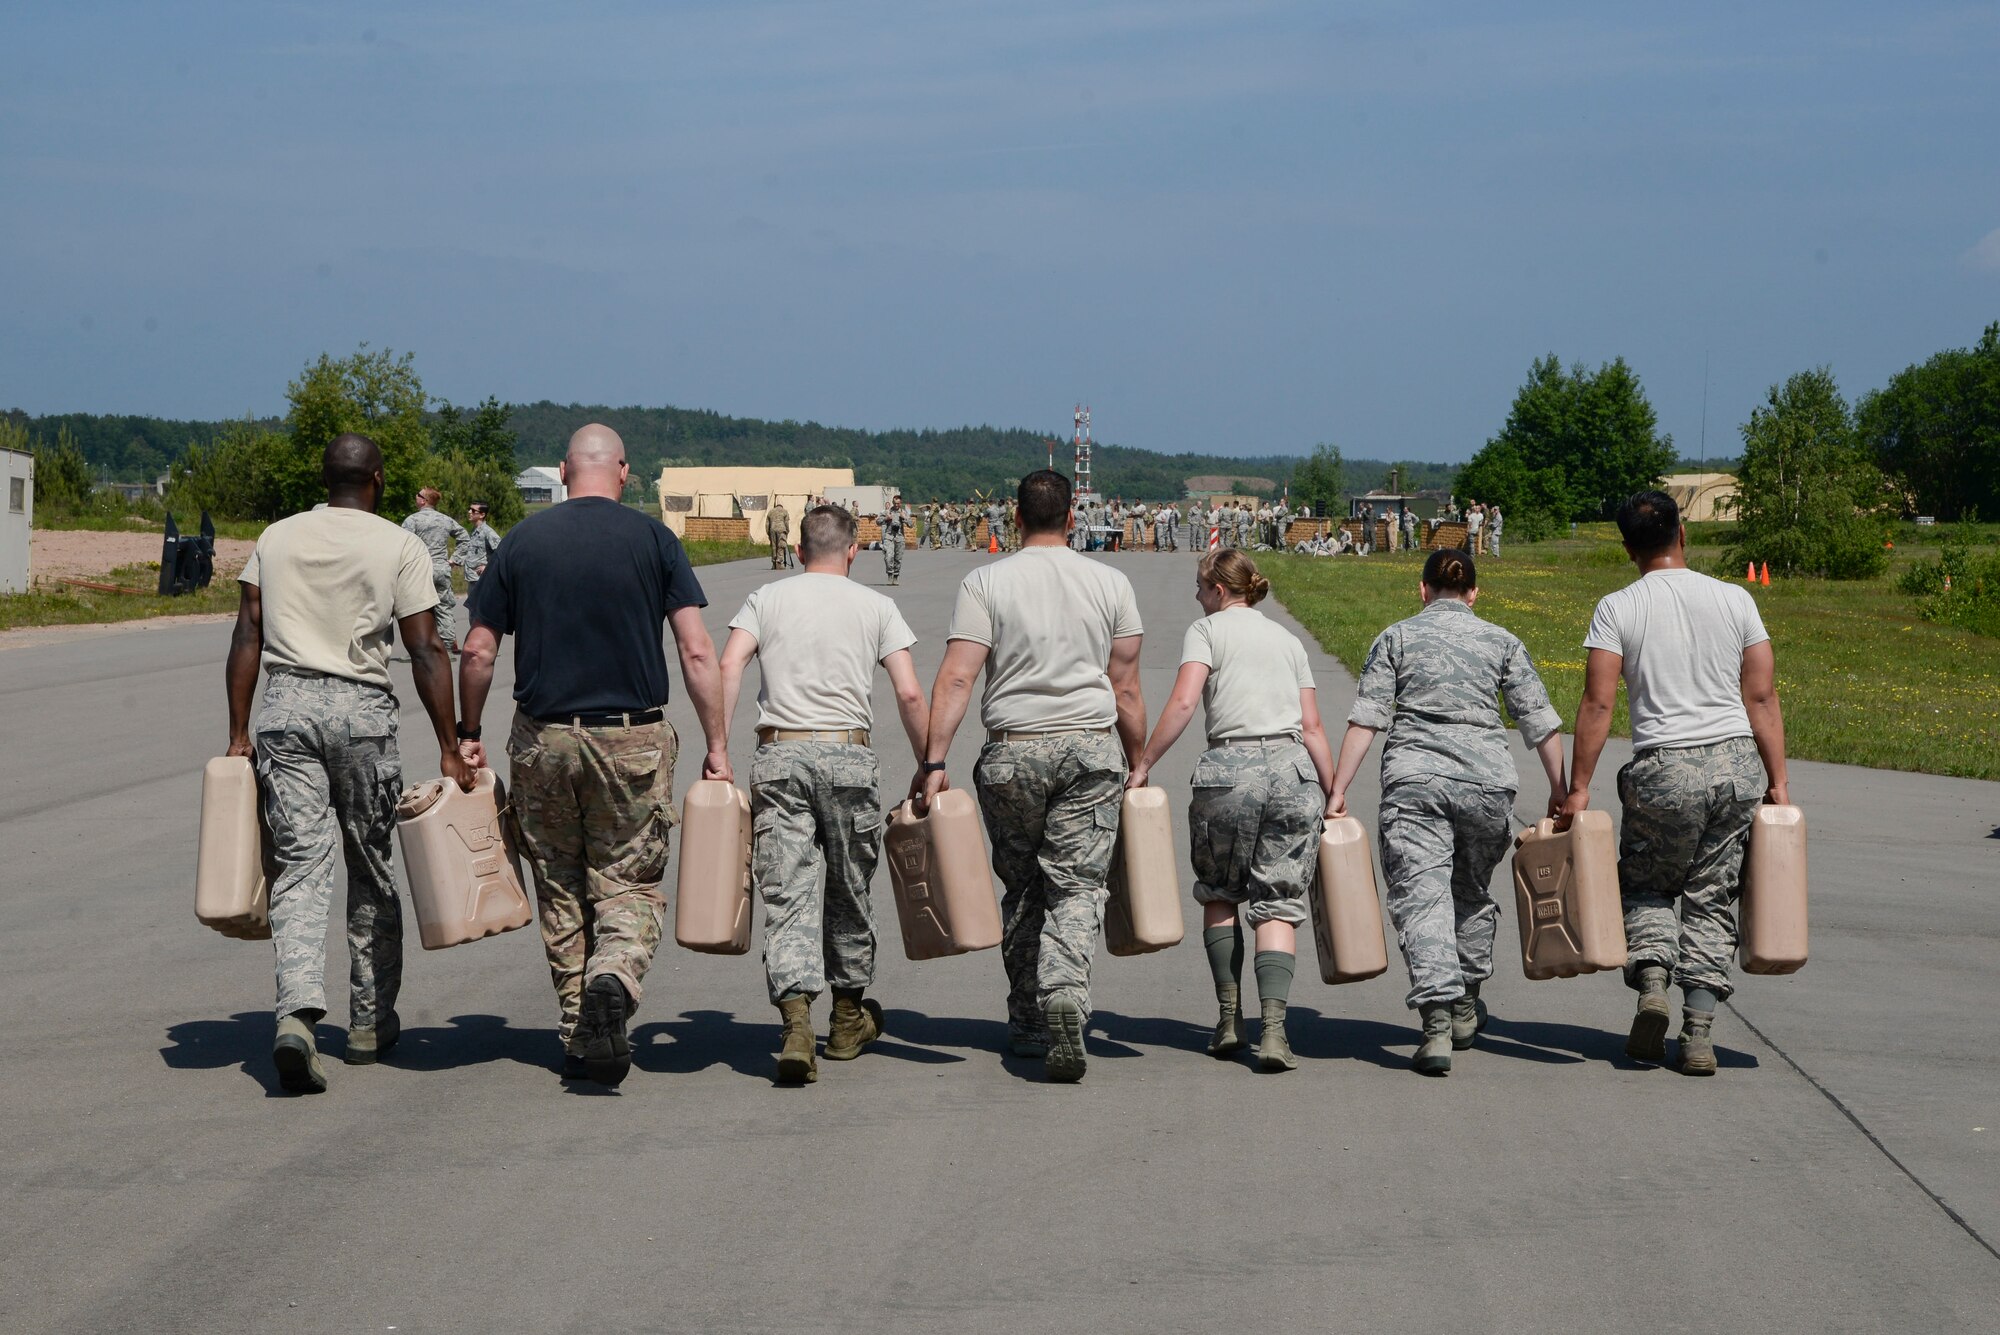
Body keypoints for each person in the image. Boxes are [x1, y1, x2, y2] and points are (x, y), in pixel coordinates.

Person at [456, 424, 730, 1087]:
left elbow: (478, 650)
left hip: (545, 738)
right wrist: (717, 742)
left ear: (562, 470)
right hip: (631, 738)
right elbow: (696, 650)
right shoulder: (653, 540)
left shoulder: (520, 540)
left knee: (559, 882)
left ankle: (581, 1028)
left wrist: (466, 731)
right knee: (627, 880)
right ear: (625, 472)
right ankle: (615, 975)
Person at [225, 433, 473, 1095]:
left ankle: (298, 1014)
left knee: (300, 866)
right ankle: (368, 1021)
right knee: (370, 864)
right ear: (379, 480)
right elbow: (425, 650)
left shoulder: (276, 537)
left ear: (325, 475)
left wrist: (238, 730)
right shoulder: (398, 544)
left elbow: (248, 629)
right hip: (362, 712)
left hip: (286, 709)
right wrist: (450, 743)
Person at [917, 469, 1145, 1082]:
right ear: (1072, 518)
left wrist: (934, 761)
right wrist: (1140, 759)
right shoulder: (1112, 582)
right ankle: (1065, 992)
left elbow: (958, 677)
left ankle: (1026, 1021)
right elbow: (1125, 687)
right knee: (1076, 887)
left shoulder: (985, 582)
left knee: (1022, 887)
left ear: (1015, 519)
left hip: (1013, 750)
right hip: (1090, 751)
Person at [1562, 490, 1789, 1076]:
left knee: (1646, 885)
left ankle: (1654, 985)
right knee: (1712, 896)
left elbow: (1599, 701)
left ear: (1626, 548)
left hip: (1664, 768)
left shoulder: (1617, 608)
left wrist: (1578, 786)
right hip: (1736, 766)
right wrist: (1779, 780)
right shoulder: (1736, 599)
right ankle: (1699, 1032)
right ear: (1681, 534)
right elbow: (1760, 695)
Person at [1328, 547, 1566, 1077]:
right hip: (1487, 786)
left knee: (1422, 896)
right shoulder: (1502, 641)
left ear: (1423, 589)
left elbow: (1367, 720)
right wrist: (1562, 788)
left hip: (1415, 783)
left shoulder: (1397, 638)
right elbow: (1539, 722)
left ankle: (1436, 1018)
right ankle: (1465, 1002)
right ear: (1475, 593)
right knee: (1471, 892)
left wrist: (1338, 788)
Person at [719, 505, 929, 1084]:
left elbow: (729, 663)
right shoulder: (877, 606)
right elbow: (909, 694)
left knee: (788, 893)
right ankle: (845, 1019)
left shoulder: (766, 599)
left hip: (780, 755)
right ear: (854, 551)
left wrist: (718, 747)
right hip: (848, 757)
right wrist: (929, 761)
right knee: (849, 890)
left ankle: (794, 1026)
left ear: (799, 548)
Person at [1128, 550, 1335, 1071]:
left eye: (1200, 588)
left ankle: (1227, 1019)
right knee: (1280, 900)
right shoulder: (1289, 640)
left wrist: (1144, 761)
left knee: (1221, 892)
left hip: (1228, 771)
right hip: (1293, 772)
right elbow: (1312, 727)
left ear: (1220, 590)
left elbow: (1182, 703)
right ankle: (1273, 1032)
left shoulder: (1207, 631)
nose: (1197, 597)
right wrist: (1334, 791)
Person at [402, 487, 468, 653]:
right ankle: (446, 646)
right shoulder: (446, 520)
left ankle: (420, 647)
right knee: (444, 607)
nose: (415, 497)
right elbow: (464, 538)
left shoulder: (412, 520)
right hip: (441, 568)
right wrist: (454, 559)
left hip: (420, 569)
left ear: (423, 500)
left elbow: (402, 543)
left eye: (417, 494)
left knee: (418, 608)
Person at [455, 501, 503, 594]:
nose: (469, 512)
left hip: (482, 580)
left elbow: (501, 552)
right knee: (473, 608)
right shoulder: (474, 531)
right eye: (469, 509)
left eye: (473, 510)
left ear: (482, 515)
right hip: (473, 579)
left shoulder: (488, 532)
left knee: (482, 608)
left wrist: (487, 567)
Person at [880, 499, 908, 585]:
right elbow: (878, 521)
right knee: (888, 557)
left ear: (900, 503)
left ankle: (896, 576)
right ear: (893, 503)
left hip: (900, 538)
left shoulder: (903, 512)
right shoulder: (887, 511)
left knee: (898, 559)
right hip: (889, 537)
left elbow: (911, 524)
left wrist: (904, 518)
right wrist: (886, 518)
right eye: (895, 503)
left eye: (898, 503)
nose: (896, 505)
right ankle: (890, 574)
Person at [768, 499, 792, 570]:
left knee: (774, 546)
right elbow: (786, 523)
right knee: (781, 546)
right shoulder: (785, 511)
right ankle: (779, 562)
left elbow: (767, 524)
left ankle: (773, 563)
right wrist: (787, 530)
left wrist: (768, 533)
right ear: (782, 505)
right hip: (781, 529)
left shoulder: (770, 512)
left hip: (772, 529)